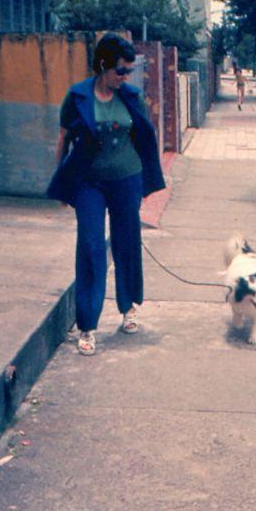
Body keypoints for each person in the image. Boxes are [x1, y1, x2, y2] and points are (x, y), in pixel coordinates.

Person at [47, 33, 165, 355]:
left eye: (129, 70)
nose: (125, 76)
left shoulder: (131, 97)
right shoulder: (78, 96)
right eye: (121, 70)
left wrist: (146, 182)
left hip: (127, 180)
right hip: (89, 183)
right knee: (90, 246)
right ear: (103, 65)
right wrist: (62, 182)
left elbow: (144, 137)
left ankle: (128, 309)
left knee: (127, 242)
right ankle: (87, 325)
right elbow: (63, 139)